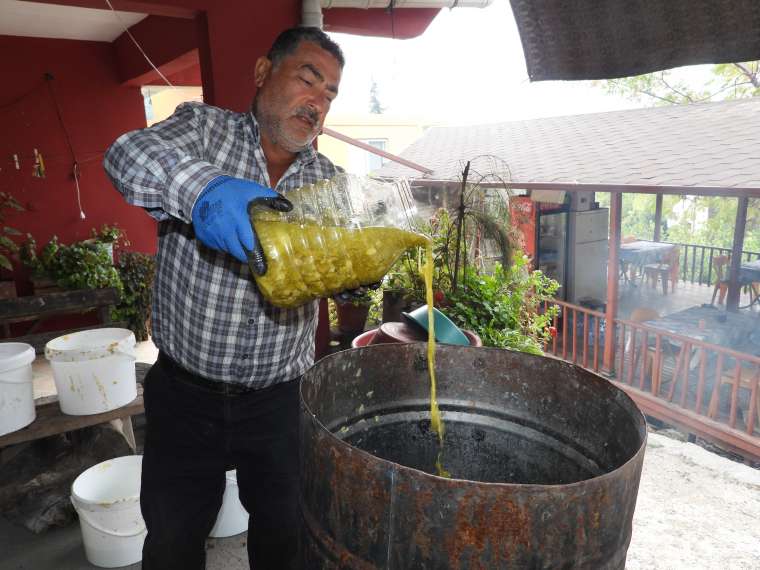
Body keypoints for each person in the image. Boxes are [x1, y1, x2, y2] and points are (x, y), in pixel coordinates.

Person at [103, 27, 344, 570]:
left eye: (329, 94)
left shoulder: (329, 182)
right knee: (171, 540)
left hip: (282, 401)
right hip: (186, 395)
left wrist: (350, 276)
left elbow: (340, 263)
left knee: (286, 539)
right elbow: (126, 154)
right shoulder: (203, 128)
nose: (318, 101)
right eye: (308, 79)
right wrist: (205, 191)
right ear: (263, 73)